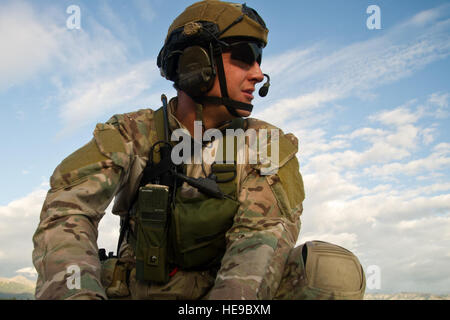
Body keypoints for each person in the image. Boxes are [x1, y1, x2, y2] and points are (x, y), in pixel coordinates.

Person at [32, 0, 366, 300]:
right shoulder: (131, 133)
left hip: (225, 291)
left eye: (259, 60)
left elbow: (258, 245)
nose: (258, 74)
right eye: (245, 56)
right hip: (139, 286)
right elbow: (67, 211)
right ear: (196, 62)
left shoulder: (265, 144)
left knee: (333, 270)